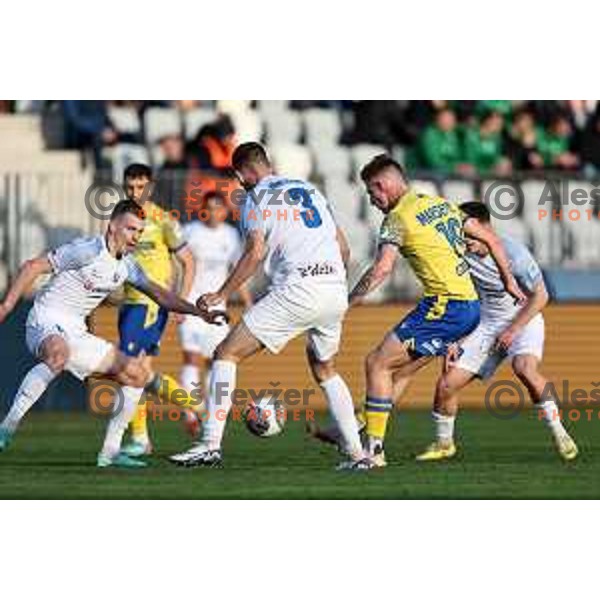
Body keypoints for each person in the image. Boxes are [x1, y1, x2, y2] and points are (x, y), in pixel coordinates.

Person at [169, 142, 369, 470]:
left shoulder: (256, 197)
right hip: (334, 288)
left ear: (241, 173)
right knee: (325, 369)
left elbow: (255, 252)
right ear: (268, 163)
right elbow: (344, 248)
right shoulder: (310, 189)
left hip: (298, 288)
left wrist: (222, 293)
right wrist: (331, 282)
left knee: (226, 354)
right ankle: (359, 455)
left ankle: (209, 445)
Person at [0, 200, 225, 468]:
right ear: (112, 227)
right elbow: (32, 266)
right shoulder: (87, 250)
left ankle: (110, 452)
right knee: (58, 355)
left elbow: (160, 295)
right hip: (45, 319)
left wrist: (199, 312)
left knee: (137, 375)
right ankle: (7, 428)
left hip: (76, 332)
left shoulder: (127, 266)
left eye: (139, 231)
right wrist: (6, 306)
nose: (135, 237)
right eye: (130, 229)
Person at [348, 154, 525, 467]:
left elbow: (381, 270)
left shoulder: (397, 218)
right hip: (468, 307)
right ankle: (361, 435)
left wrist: (347, 302)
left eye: (371, 193)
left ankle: (372, 452)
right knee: (395, 370)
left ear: (382, 184)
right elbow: (491, 239)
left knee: (377, 363)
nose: (372, 201)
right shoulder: (441, 205)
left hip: (446, 305)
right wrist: (508, 281)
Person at [417, 202, 578, 461]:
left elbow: (541, 296)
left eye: (469, 234)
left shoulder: (514, 253)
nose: (466, 241)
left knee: (525, 369)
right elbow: (456, 296)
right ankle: (444, 444)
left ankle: (560, 433)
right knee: (447, 383)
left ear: (484, 227)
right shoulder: (460, 253)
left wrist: (513, 330)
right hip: (487, 323)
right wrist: (454, 340)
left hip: (524, 319)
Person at [117, 163, 198, 457]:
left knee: (130, 368)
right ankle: (194, 406)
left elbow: (189, 261)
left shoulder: (163, 220)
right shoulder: (119, 218)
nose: (134, 192)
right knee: (141, 371)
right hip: (129, 302)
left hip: (150, 304)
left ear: (149, 187)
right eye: (129, 187)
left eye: (140, 187)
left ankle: (140, 438)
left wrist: (182, 302)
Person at [177, 191, 252, 436]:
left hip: (218, 311)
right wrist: (177, 301)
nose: (213, 212)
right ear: (203, 209)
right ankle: (190, 413)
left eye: (218, 208)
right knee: (191, 359)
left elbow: (236, 273)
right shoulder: (190, 231)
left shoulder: (230, 236)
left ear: (225, 211)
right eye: (209, 207)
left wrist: (248, 303)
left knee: (218, 361)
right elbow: (178, 266)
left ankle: (211, 415)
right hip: (191, 306)